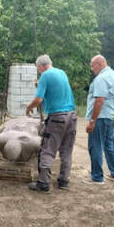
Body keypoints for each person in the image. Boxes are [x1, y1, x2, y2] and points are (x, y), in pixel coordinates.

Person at [26, 54, 78, 192]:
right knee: (66, 150)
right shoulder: (61, 72)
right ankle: (64, 181)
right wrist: (41, 85)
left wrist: (29, 107)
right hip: (72, 116)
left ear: (41, 66)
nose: (39, 71)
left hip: (57, 118)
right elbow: (57, 90)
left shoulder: (45, 75)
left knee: (47, 150)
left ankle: (43, 183)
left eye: (38, 68)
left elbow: (38, 99)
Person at [85, 55, 114, 184]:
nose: (91, 69)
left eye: (92, 65)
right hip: (112, 116)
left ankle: (97, 177)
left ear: (99, 64)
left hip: (101, 117)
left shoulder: (101, 78)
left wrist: (92, 121)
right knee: (109, 145)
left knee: (95, 146)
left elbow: (100, 100)